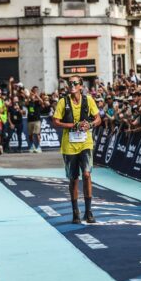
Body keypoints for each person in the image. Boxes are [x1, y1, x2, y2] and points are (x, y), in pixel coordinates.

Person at [52, 76, 101, 224]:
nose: (72, 85)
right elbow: (55, 121)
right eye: (70, 83)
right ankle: (75, 212)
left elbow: (98, 118)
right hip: (69, 145)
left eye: (75, 83)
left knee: (86, 174)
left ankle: (88, 211)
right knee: (74, 179)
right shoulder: (63, 101)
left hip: (85, 143)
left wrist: (90, 125)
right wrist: (71, 126)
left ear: (81, 86)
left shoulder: (89, 100)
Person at [27, 86, 43, 153]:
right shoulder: (29, 102)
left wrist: (36, 95)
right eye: (34, 91)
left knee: (37, 134)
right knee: (30, 135)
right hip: (30, 120)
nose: (33, 95)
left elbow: (41, 101)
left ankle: (39, 147)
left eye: (36, 90)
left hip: (37, 120)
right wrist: (30, 96)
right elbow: (26, 102)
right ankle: (32, 146)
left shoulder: (37, 102)